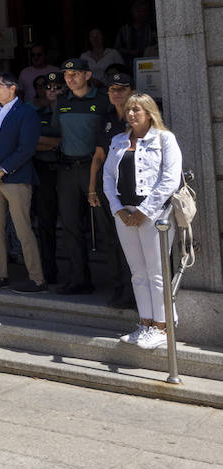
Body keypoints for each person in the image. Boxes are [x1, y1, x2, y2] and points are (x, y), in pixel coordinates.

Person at [102, 93, 182, 349]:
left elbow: (170, 179)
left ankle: (162, 327)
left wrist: (144, 211)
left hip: (154, 214)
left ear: (150, 112)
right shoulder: (118, 140)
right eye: (128, 110)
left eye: (137, 109)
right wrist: (117, 209)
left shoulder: (164, 138)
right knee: (137, 273)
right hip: (124, 213)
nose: (131, 114)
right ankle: (145, 323)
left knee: (157, 273)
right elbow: (107, 178)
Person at [0, 73, 48, 293]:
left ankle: (36, 279)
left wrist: (3, 169)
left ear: (13, 88)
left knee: (22, 229)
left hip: (16, 179)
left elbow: (26, 147)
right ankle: (1, 274)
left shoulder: (26, 112)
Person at [48, 57, 110, 295]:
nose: (70, 78)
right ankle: (79, 280)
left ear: (87, 75)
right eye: (66, 75)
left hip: (95, 170)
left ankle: (120, 282)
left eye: (75, 74)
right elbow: (56, 133)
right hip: (67, 171)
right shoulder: (62, 101)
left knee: (105, 227)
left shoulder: (103, 100)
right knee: (71, 227)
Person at [88, 69, 137, 309]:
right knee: (111, 240)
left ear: (132, 92)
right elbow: (98, 156)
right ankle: (119, 288)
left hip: (134, 190)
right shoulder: (105, 119)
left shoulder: (141, 118)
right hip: (108, 189)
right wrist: (91, 189)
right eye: (112, 89)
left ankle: (134, 292)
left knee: (133, 242)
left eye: (122, 89)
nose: (116, 93)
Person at [31, 72, 63, 286]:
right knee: (45, 224)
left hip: (66, 170)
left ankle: (77, 273)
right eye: (47, 86)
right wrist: (53, 142)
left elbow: (65, 139)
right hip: (42, 171)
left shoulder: (69, 110)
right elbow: (30, 141)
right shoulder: (35, 112)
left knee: (72, 225)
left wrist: (49, 141)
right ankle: (49, 270)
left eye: (56, 86)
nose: (51, 90)